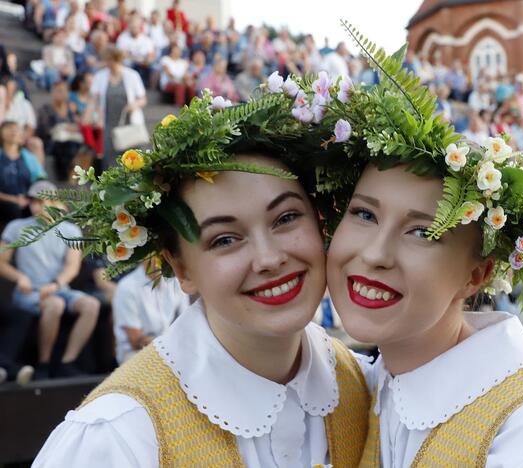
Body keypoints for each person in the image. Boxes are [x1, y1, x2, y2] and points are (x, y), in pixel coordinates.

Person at [323, 38, 523, 466]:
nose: (374, 254)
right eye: (364, 214)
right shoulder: (366, 390)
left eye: (424, 232)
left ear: (477, 275)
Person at [30, 81, 371, 466]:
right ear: (181, 268)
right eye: (225, 239)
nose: (268, 259)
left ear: (321, 222)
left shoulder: (363, 386)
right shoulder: (120, 439)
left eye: (287, 217)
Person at [0, 180, 101, 379]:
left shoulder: (71, 231)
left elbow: (72, 267)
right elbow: (1, 262)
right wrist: (20, 277)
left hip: (59, 289)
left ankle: (67, 362)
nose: (36, 205)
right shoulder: (15, 227)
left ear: (54, 202)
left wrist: (56, 284)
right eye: (33, 200)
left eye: (41, 201)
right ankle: (44, 364)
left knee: (91, 304)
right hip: (29, 293)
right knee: (54, 305)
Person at [112, 261, 189, 364]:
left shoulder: (175, 281)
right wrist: (170, 348)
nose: (159, 257)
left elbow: (186, 322)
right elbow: (136, 340)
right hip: (137, 352)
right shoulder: (127, 286)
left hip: (171, 346)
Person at [90, 46, 146, 169]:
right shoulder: (100, 76)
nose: (109, 63)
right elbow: (94, 101)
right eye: (107, 60)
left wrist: (134, 105)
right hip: (109, 125)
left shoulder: (132, 75)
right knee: (110, 160)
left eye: (112, 60)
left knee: (133, 160)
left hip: (129, 124)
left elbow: (142, 99)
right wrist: (95, 117)